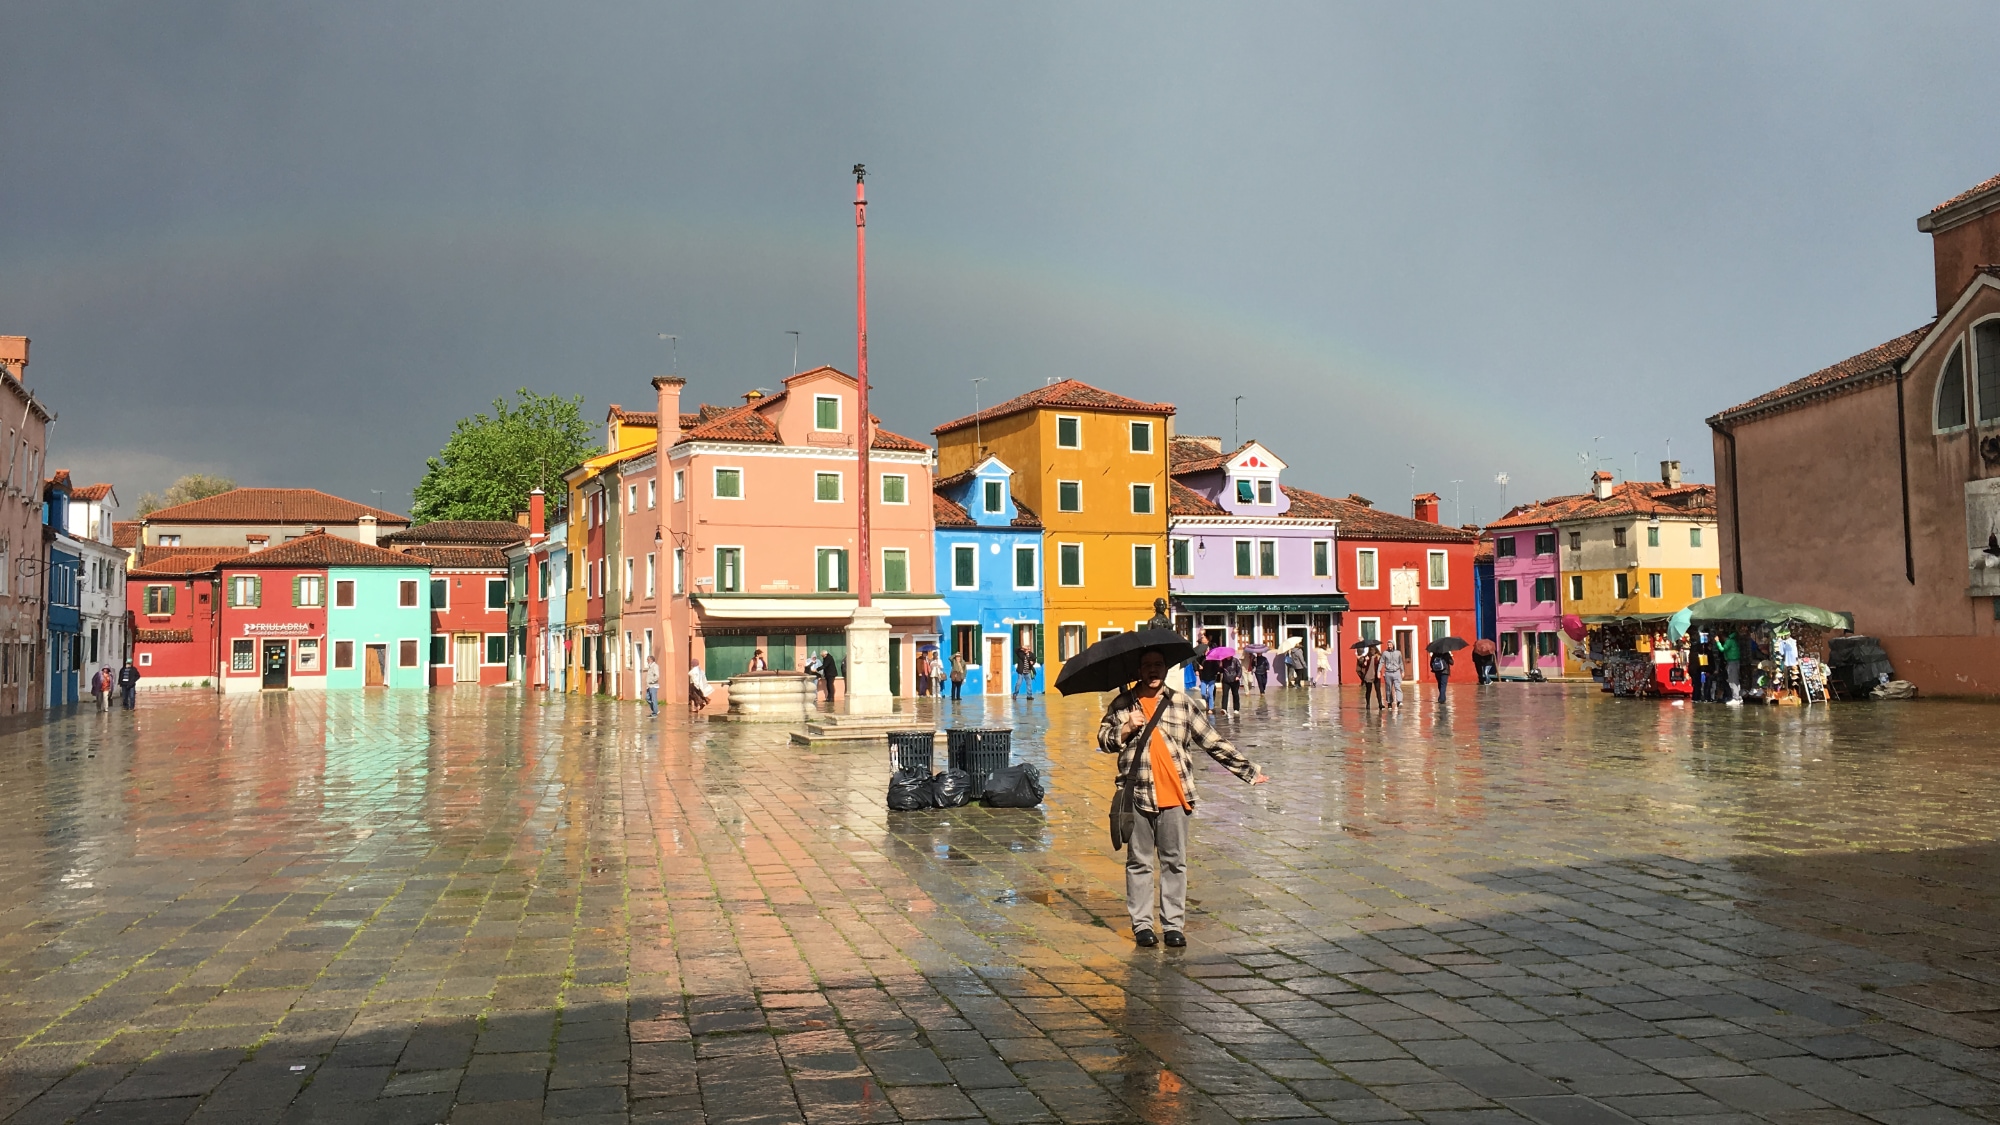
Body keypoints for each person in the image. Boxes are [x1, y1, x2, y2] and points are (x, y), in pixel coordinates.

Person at [1099, 648, 1268, 949]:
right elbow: (1103, 739)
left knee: (1175, 862)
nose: (1153, 671)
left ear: (1165, 669)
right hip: (1137, 793)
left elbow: (1213, 741)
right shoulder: (1123, 704)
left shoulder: (1181, 703)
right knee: (1138, 862)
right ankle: (1142, 926)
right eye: (1147, 666)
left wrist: (1249, 771)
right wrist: (1125, 728)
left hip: (1176, 795)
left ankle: (1173, 925)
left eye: (1158, 665)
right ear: (1138, 670)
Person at [1719, 630, 1742, 705]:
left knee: (1732, 680)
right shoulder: (1733, 640)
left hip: (1732, 662)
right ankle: (1738, 697)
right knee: (1736, 680)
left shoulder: (1728, 641)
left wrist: (1717, 642)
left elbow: (1722, 649)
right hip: (1735, 661)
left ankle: (1735, 698)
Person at [1216, 652, 1242, 716]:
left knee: (1235, 694)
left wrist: (1238, 676)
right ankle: (1224, 709)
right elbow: (1220, 671)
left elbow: (1239, 669)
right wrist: (1220, 665)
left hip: (1234, 680)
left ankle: (1236, 709)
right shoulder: (1223, 661)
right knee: (1225, 694)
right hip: (1226, 680)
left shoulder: (1235, 660)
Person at [1379, 644, 1404, 709]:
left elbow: (1401, 662)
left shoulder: (1398, 653)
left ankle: (1399, 701)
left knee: (1397, 687)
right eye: (1388, 645)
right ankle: (1389, 702)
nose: (1389, 646)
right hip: (1388, 672)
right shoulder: (1385, 653)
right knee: (1388, 688)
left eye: (1390, 645)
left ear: (1393, 645)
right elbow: (1381, 662)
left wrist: (1402, 671)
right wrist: (1378, 671)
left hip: (1397, 672)